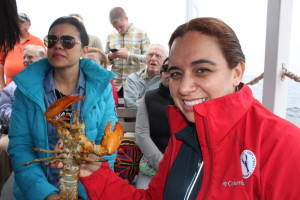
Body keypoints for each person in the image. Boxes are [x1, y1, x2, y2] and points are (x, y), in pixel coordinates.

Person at [51, 17, 300, 199]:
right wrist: (96, 174)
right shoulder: (182, 136)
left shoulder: (284, 144)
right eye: (177, 73)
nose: (183, 87)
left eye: (202, 70)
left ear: (237, 72)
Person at [8, 16, 117, 200]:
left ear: (84, 50)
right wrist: (46, 195)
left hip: (86, 189)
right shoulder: (26, 89)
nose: (58, 45)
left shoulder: (102, 88)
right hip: (37, 190)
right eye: (52, 40)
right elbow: (20, 147)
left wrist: (87, 192)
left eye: (67, 41)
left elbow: (106, 148)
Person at [0, 44, 46, 195]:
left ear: (43, 58)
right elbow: (3, 107)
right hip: (17, 131)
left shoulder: (52, 79)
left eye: (30, 57)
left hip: (45, 133)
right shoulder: (16, 83)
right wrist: (17, 116)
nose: (26, 60)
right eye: (24, 57)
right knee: (1, 146)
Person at [135, 59, 173, 189]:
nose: (169, 73)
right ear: (161, 73)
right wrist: (160, 163)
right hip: (153, 162)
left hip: (182, 161)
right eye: (166, 68)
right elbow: (141, 134)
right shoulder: (149, 98)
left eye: (175, 70)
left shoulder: (190, 100)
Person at [106, 7, 150, 97]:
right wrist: (110, 57)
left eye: (121, 26)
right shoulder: (110, 35)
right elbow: (104, 60)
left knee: (134, 111)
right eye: (115, 27)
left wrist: (129, 55)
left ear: (126, 19)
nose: (119, 30)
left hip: (135, 85)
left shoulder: (142, 34)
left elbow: (148, 59)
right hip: (116, 86)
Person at [0, 13, 45, 90]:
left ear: (29, 25)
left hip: (31, 89)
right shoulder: (7, 41)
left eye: (21, 21)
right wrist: (1, 86)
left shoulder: (37, 41)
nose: (17, 24)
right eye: (15, 22)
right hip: (9, 90)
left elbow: (44, 63)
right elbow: (1, 63)